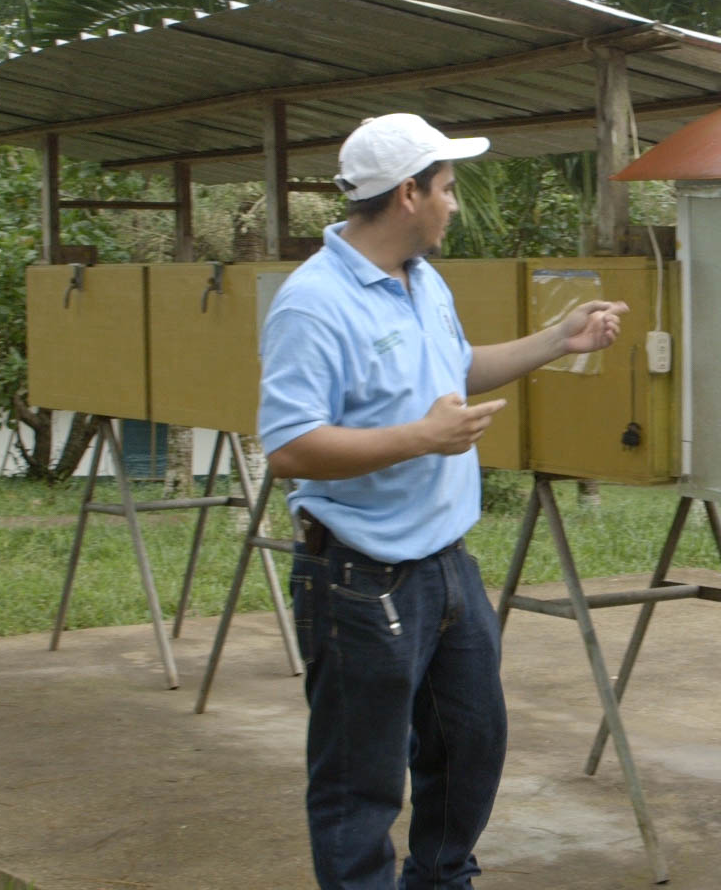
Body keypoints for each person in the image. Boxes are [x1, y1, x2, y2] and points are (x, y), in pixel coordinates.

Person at [259, 113, 627, 890]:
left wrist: (558, 340)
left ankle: (442, 880)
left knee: (470, 748)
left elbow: (459, 366)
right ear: (407, 194)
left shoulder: (422, 281)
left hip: (446, 567)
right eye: (448, 188)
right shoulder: (312, 303)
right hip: (358, 578)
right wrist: (420, 439)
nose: (455, 204)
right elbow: (289, 445)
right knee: (360, 783)